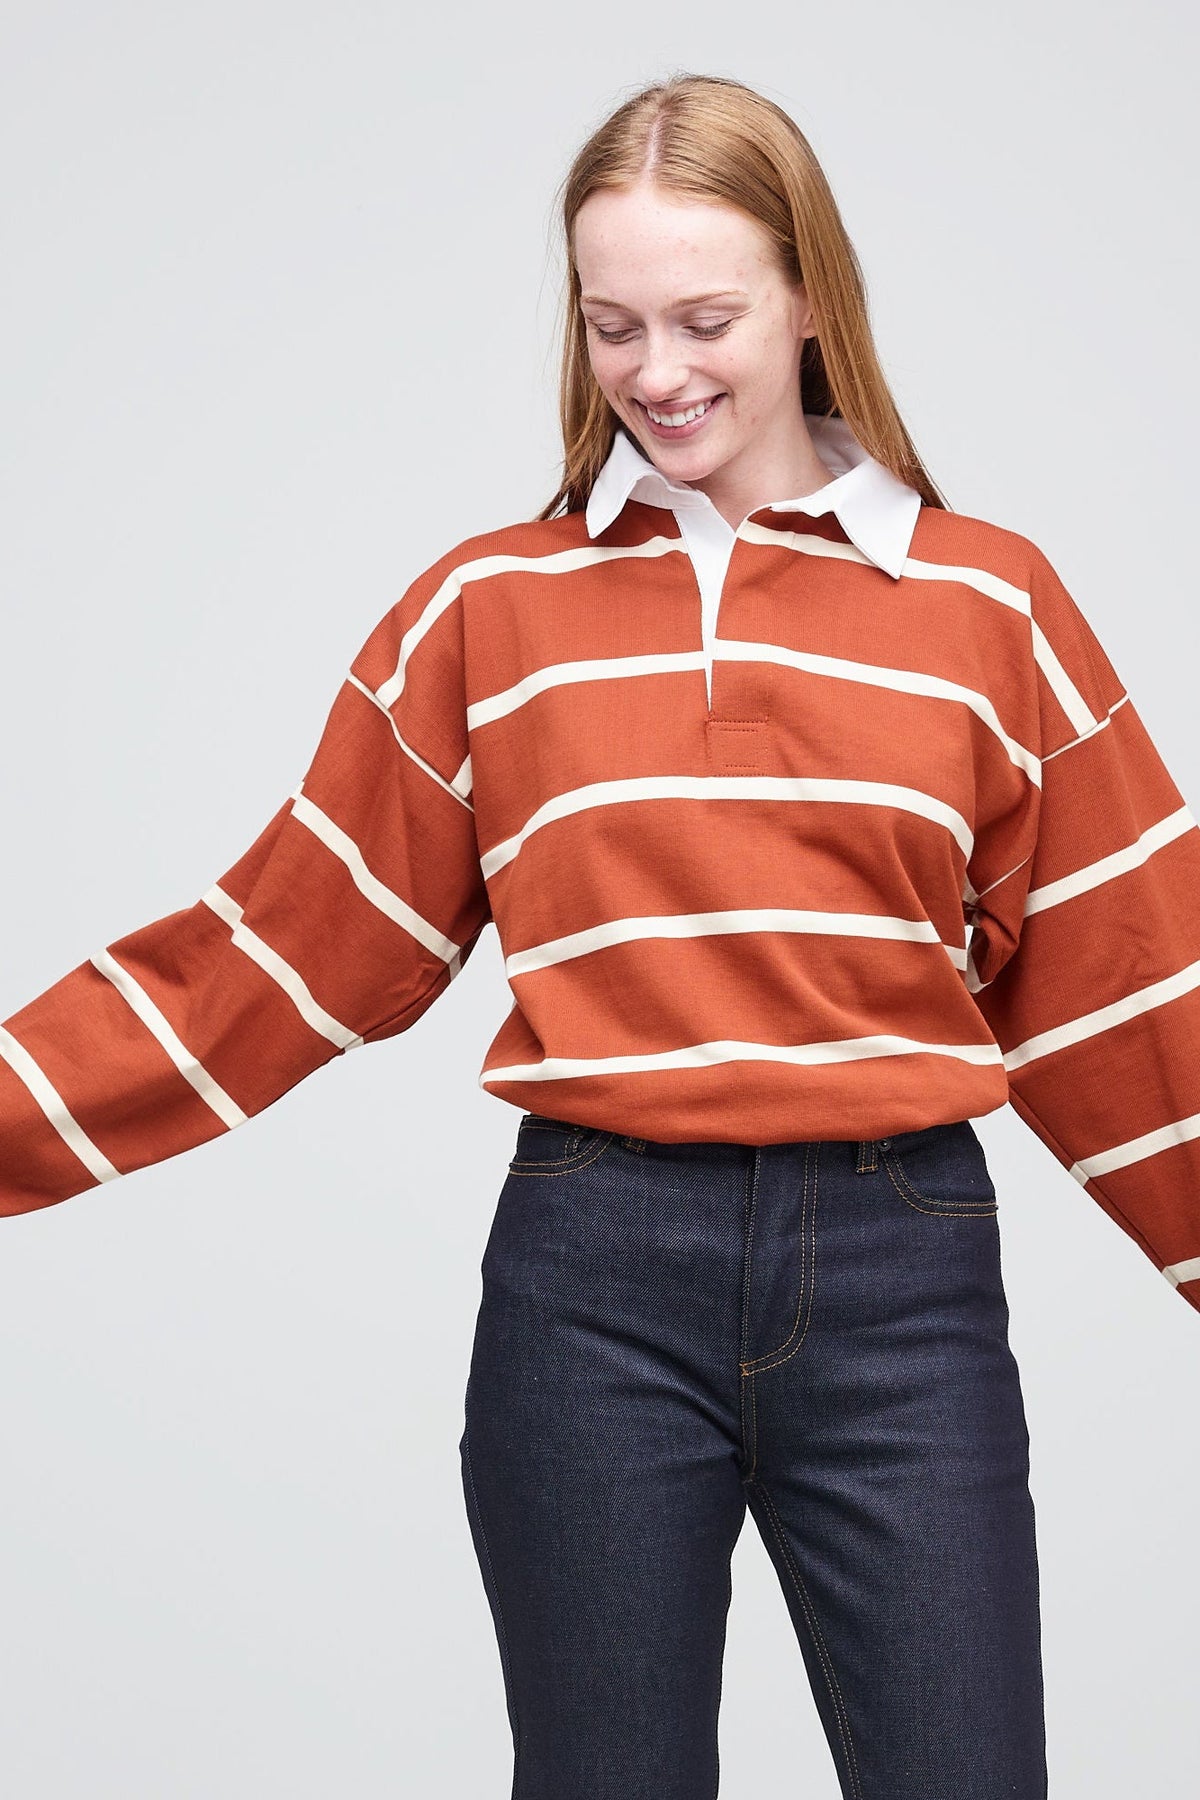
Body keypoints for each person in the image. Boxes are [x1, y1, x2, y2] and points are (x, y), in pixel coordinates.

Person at [2, 67, 1197, 1799]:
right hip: (591, 1279)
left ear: (810, 302)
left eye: (706, 316)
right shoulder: (492, 610)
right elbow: (275, 956)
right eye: (612, 321)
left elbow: (1138, 992)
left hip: (902, 1277)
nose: (657, 371)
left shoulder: (987, 604)